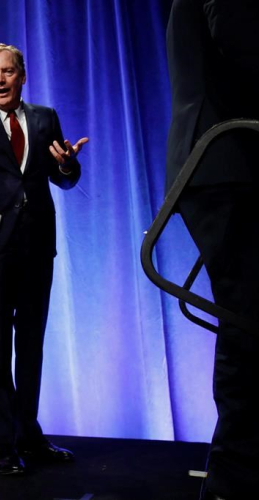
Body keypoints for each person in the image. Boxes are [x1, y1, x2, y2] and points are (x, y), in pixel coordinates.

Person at [0, 43, 88, 475]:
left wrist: (67, 168)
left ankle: (30, 433)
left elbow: (63, 178)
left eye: (8, 72)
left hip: (37, 244)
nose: (1, 80)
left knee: (31, 344)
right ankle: (4, 443)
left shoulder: (45, 117)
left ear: (22, 76)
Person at [165, 2, 259, 499]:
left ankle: (237, 472)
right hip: (225, 159)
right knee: (247, 316)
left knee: (245, 315)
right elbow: (243, 43)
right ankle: (235, 478)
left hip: (227, 162)